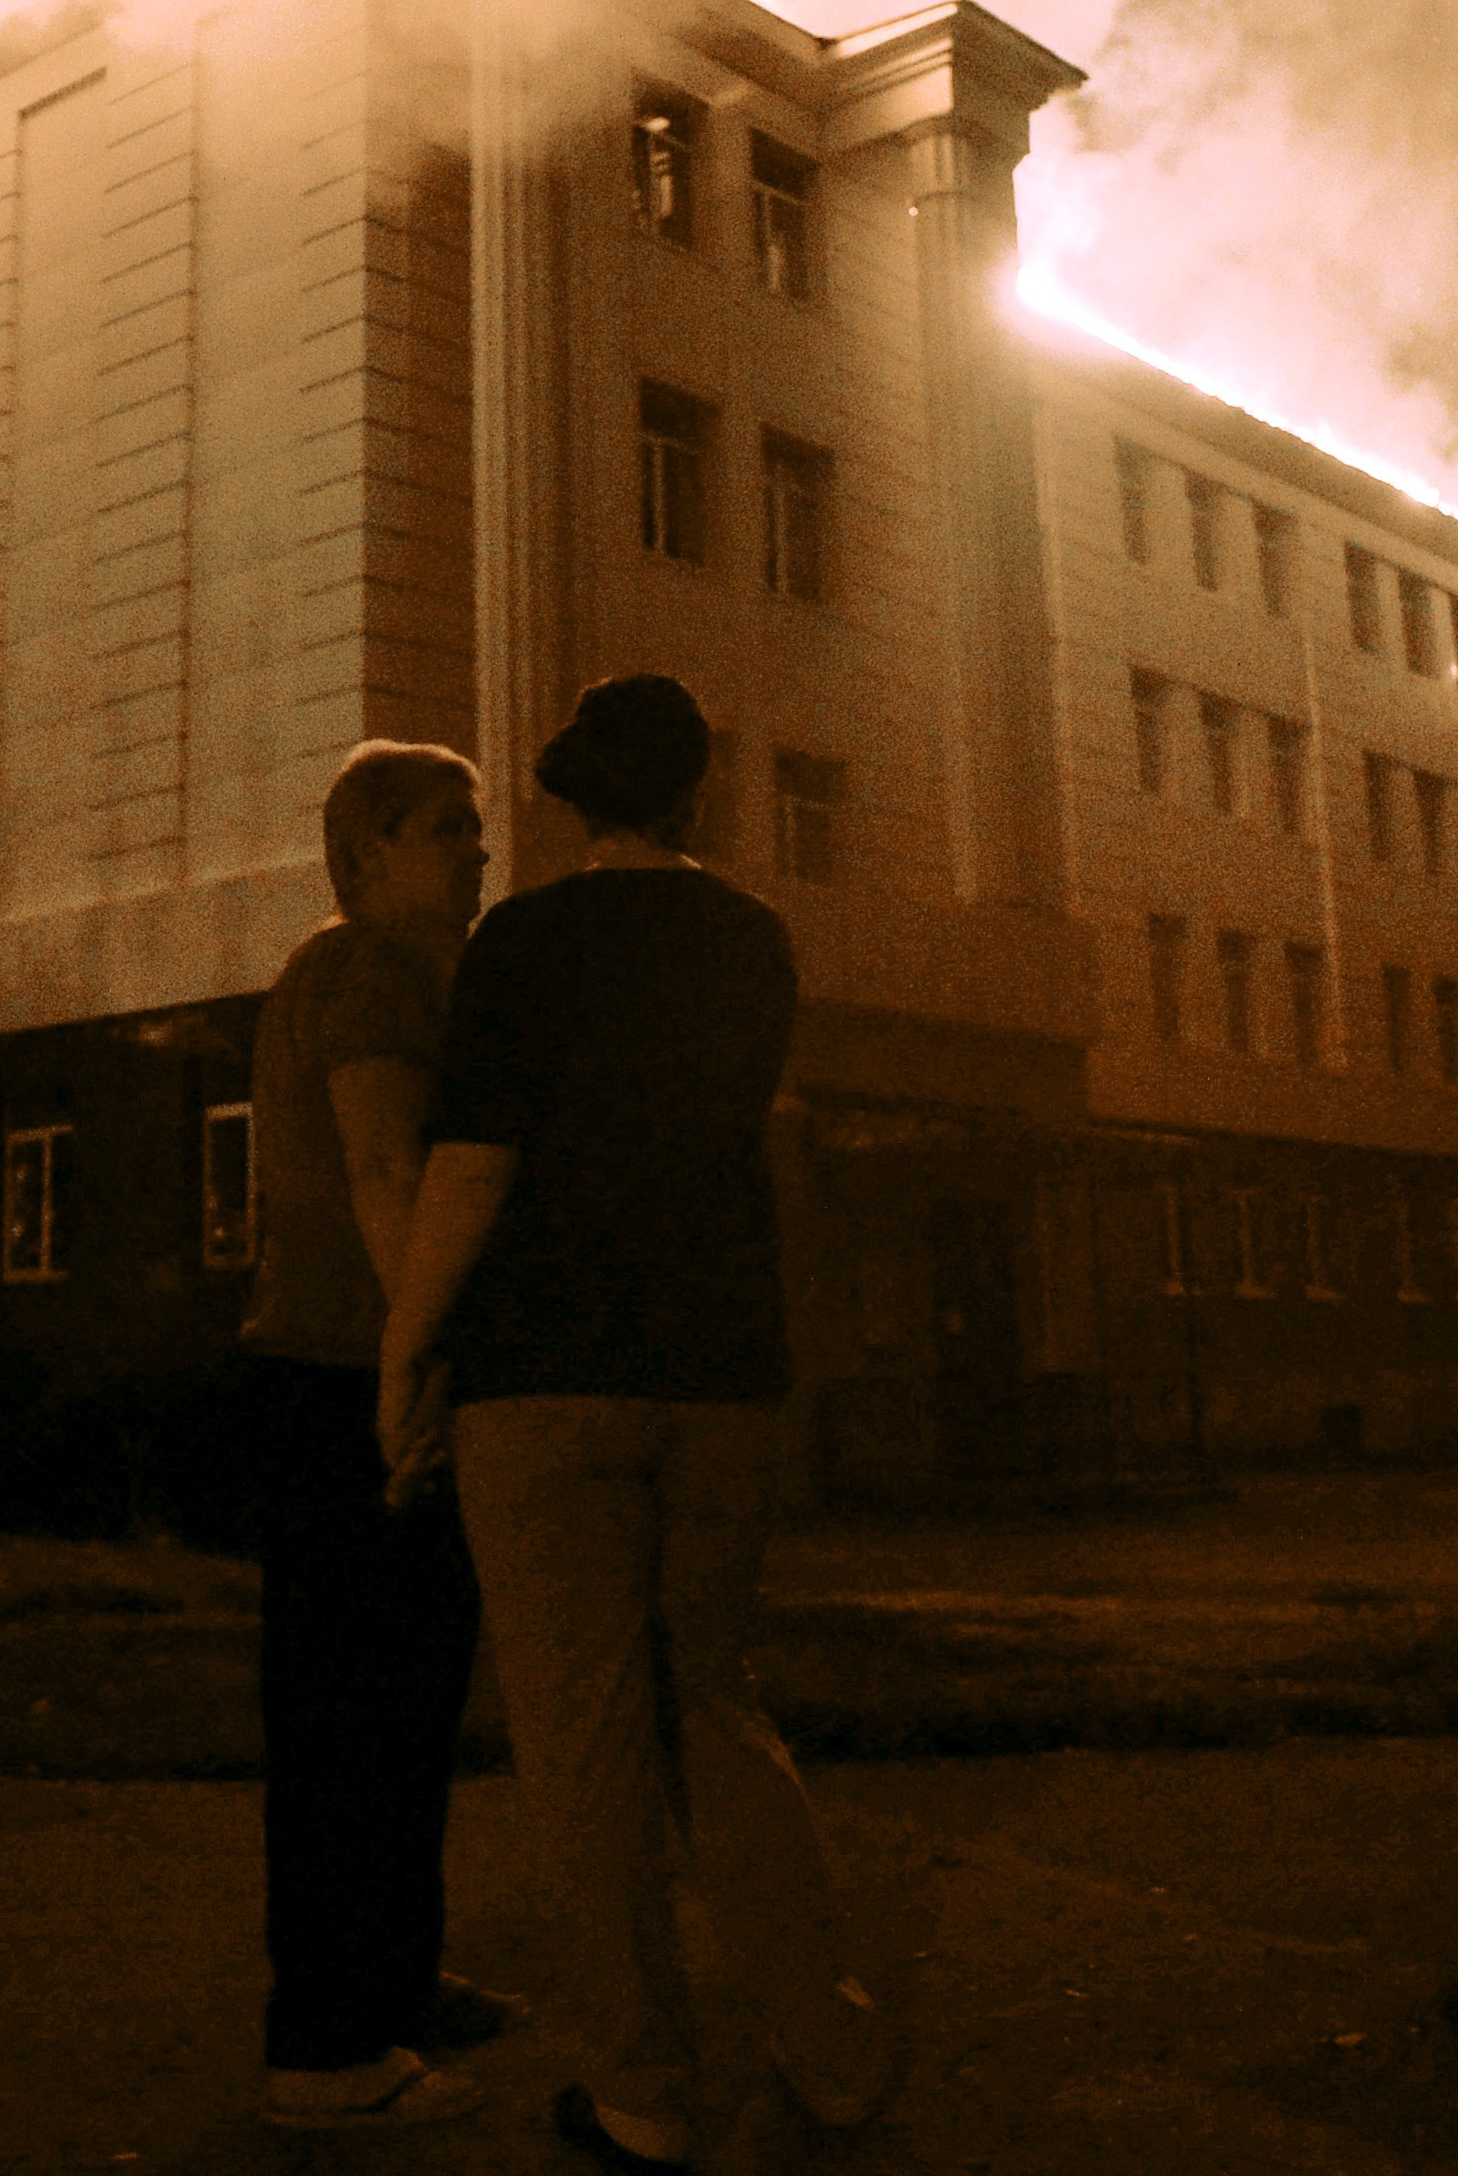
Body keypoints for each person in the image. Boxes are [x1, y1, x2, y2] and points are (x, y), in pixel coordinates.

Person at [375, 674, 897, 2172]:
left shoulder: (520, 944)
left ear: (568, 797)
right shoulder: (751, 942)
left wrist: (406, 1353)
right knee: (715, 1705)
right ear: (696, 795)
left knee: (584, 1741)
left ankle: (643, 2096)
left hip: (540, 1383)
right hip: (717, 1376)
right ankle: (828, 2042)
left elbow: (471, 1168)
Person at [236, 739, 527, 2131]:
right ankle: (327, 2051)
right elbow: (380, 1165)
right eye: (445, 828)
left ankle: (393, 1980)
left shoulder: (373, 972)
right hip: (347, 1384)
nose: (478, 848)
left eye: (476, 826)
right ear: (364, 858)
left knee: (402, 1711)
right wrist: (414, 1384)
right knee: (353, 1720)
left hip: (347, 1380)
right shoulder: (363, 972)